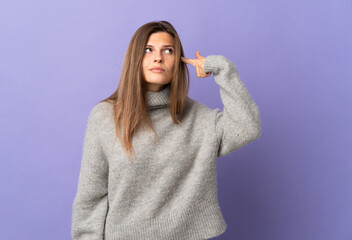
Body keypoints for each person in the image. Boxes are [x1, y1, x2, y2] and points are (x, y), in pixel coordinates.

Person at [71, 20, 262, 240]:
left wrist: (222, 69)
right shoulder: (105, 117)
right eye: (148, 50)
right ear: (135, 58)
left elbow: (247, 127)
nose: (158, 57)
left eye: (168, 51)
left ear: (178, 61)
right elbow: (90, 197)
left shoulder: (198, 118)